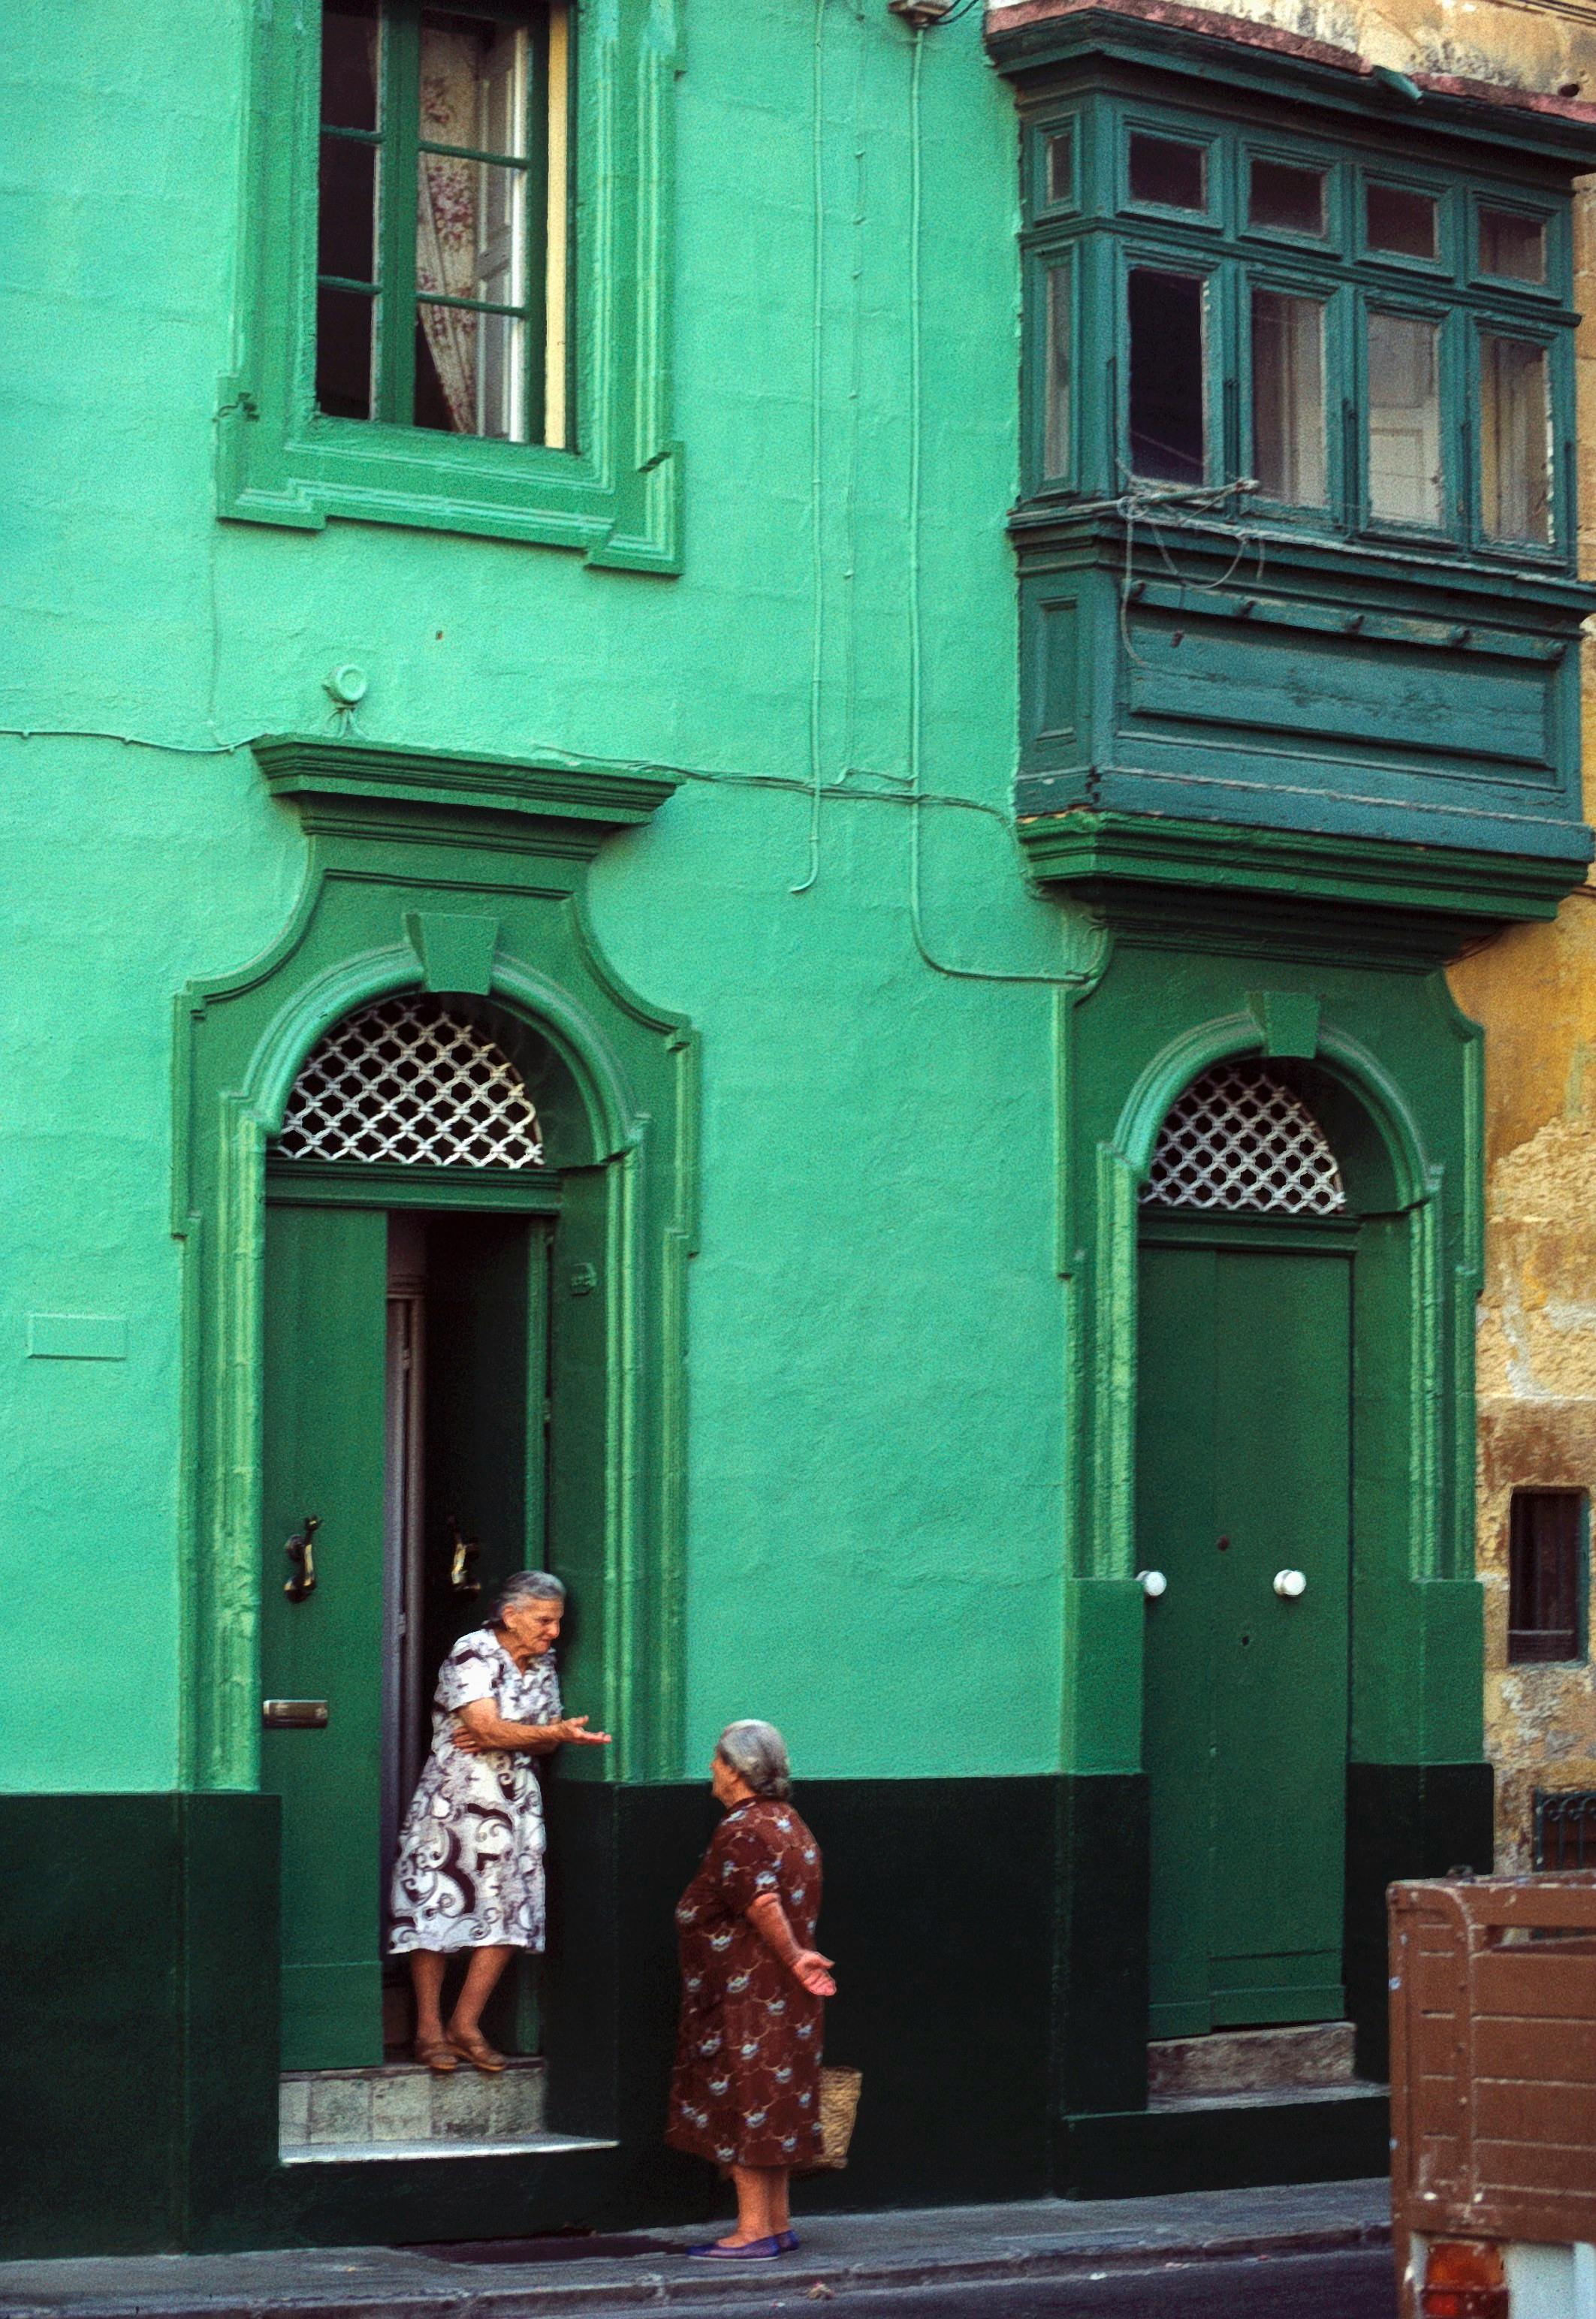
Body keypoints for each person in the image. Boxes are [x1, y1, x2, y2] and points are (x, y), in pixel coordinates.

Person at [388, 1570, 610, 2073]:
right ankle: (427, 2030)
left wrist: (519, 1735)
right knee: (432, 1905)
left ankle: (464, 2025)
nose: (553, 1632)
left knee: (509, 1913)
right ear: (510, 1615)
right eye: (544, 1620)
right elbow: (487, 1725)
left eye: (557, 1622)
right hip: (455, 1801)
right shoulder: (473, 1651)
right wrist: (522, 1732)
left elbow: (543, 1739)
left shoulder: (543, 1663)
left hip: (514, 1808)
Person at [667, 1720, 836, 2259]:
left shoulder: (740, 1830)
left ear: (737, 1771)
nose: (711, 1769)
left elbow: (761, 1902)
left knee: (747, 2103)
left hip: (747, 1997)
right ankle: (776, 2223)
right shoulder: (788, 1822)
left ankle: (752, 2231)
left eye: (718, 1759)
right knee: (775, 2103)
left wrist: (792, 1956)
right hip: (781, 1997)